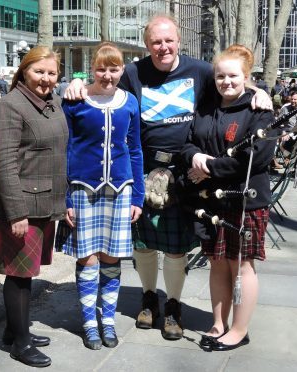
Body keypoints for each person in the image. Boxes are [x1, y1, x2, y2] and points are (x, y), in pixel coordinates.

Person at [64, 14, 272, 341]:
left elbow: (230, 81)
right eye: (156, 42)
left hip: (185, 171)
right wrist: (76, 83)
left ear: (178, 41)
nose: (163, 47)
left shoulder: (200, 71)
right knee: (144, 244)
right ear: (148, 45)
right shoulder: (134, 72)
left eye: (168, 41)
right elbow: (104, 87)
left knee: (176, 248)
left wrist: (259, 92)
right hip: (144, 168)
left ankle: (173, 304)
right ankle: (149, 298)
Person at [181, 44, 276, 351]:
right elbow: (188, 143)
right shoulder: (207, 106)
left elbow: (255, 158)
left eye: (233, 76)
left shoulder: (260, 110)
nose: (226, 82)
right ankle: (219, 323)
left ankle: (239, 329)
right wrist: (195, 156)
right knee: (217, 262)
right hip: (211, 201)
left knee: (241, 265)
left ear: (246, 77)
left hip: (245, 200)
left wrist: (208, 167)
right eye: (220, 76)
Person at [57, 42, 144, 350]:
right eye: (101, 69)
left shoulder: (131, 102)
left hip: (121, 189)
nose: (107, 76)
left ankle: (107, 320)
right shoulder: (75, 101)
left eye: (114, 69)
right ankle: (89, 324)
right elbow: (65, 149)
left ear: (122, 69)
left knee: (111, 258)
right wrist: (65, 197)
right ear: (91, 69)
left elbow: (134, 149)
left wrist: (138, 197)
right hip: (82, 187)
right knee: (88, 257)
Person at [0, 46, 68, 368]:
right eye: (39, 72)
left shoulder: (53, 103)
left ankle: (14, 330)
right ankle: (20, 344)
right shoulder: (9, 106)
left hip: (45, 201)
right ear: (23, 71)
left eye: (51, 73)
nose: (46, 79)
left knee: (27, 272)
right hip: (21, 205)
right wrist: (16, 211)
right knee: (19, 275)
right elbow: (4, 163)